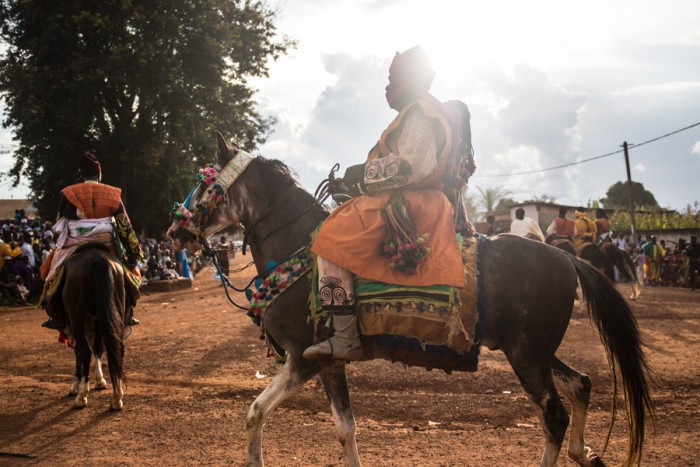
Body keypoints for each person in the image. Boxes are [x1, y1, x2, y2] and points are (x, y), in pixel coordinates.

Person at [304, 46, 474, 360]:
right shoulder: (417, 110)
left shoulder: (421, 111)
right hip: (409, 198)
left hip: (412, 204)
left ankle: (344, 337)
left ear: (408, 79)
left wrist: (361, 174)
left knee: (331, 237)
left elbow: (410, 166)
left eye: (392, 78)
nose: (387, 86)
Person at [41, 151, 143, 330]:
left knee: (50, 274)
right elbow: (124, 226)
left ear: (81, 174)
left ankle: (55, 315)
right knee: (130, 277)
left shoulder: (67, 193)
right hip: (107, 244)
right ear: (99, 174)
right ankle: (127, 312)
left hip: (74, 245)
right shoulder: (113, 194)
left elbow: (60, 222)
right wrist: (134, 253)